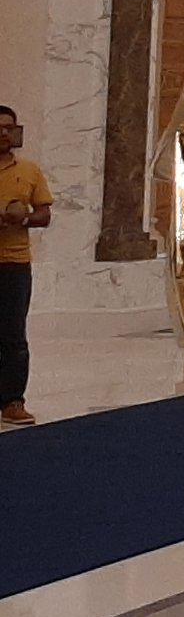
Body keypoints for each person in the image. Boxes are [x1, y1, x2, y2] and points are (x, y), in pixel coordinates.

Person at [0, 108, 49, 429]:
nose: (4, 133)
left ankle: (13, 403)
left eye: (9, 127)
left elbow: (44, 214)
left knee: (13, 336)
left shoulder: (30, 170)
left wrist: (24, 218)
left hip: (14, 264)